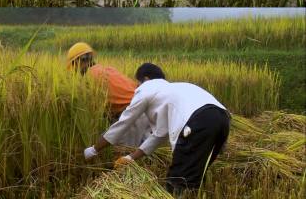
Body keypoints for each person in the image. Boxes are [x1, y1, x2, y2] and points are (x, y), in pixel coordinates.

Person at [83, 63, 230, 195]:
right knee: (194, 176)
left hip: (197, 122)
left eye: (137, 82)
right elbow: (159, 135)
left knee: (178, 182)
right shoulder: (172, 90)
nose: (136, 86)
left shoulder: (147, 88)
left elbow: (124, 123)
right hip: (222, 119)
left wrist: (94, 149)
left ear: (145, 79)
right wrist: (130, 158)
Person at [66, 42, 150, 146]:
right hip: (146, 111)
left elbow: (96, 110)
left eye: (74, 66)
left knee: (126, 155)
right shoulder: (109, 70)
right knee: (146, 154)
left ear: (79, 61)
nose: (75, 71)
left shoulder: (89, 79)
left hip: (132, 115)